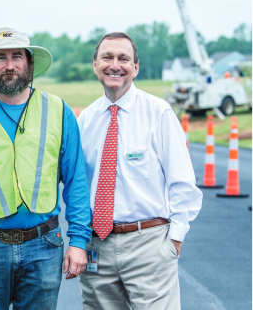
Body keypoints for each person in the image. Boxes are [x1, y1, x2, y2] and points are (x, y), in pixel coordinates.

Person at [0, 27, 91, 310]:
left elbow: (76, 180)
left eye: (17, 57)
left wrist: (78, 240)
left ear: (30, 63)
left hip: (44, 245)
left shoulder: (59, 111)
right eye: (0, 58)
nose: (9, 65)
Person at [77, 32, 203, 310]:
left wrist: (175, 240)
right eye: (107, 57)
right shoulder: (86, 119)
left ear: (136, 67)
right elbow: (77, 186)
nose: (115, 65)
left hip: (149, 243)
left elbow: (182, 183)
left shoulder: (158, 113)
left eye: (124, 58)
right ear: (95, 64)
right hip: (98, 246)